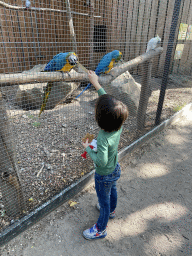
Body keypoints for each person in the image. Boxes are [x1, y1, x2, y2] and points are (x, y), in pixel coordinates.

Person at [82, 70, 129, 240]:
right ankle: (112, 210)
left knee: (104, 202)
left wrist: (88, 148)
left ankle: (100, 229)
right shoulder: (118, 123)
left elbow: (100, 162)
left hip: (103, 174)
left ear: (99, 118)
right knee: (113, 189)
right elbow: (108, 102)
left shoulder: (102, 138)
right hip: (115, 168)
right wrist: (96, 83)